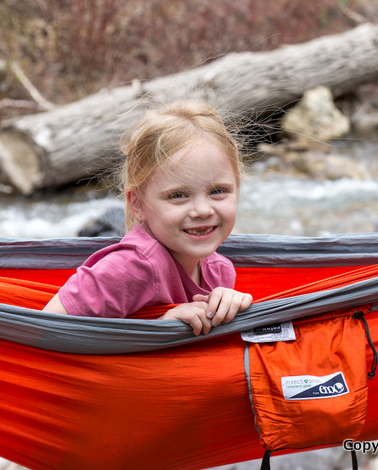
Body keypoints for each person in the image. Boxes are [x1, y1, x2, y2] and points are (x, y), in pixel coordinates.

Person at [42, 100, 253, 335]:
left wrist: (230, 306)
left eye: (218, 191)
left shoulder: (221, 270)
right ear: (138, 204)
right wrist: (157, 330)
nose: (203, 210)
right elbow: (46, 329)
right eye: (178, 195)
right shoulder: (132, 267)